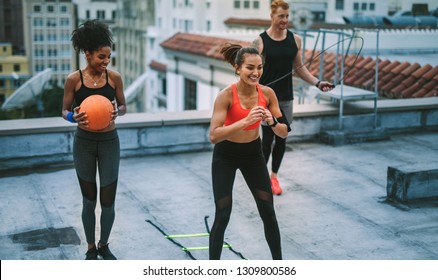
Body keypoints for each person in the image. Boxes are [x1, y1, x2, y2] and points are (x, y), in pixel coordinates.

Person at [208, 43, 291, 260]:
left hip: (252, 155)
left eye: (259, 67)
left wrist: (272, 121)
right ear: (237, 68)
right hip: (225, 155)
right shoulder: (225, 96)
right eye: (249, 68)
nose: (256, 73)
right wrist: (246, 121)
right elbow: (214, 136)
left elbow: (283, 133)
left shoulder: (268, 93)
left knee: (268, 212)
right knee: (223, 214)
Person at [253, 0, 333, 195]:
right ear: (272, 16)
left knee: (282, 138)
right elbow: (252, 71)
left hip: (286, 98)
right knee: (266, 141)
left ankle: (273, 178)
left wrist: (317, 82)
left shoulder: (295, 40)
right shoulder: (260, 41)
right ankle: (261, 180)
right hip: (266, 98)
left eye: (287, 16)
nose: (285, 20)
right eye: (281, 16)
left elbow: (299, 69)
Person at [62, 19, 126, 260]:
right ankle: (90, 247)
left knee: (107, 201)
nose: (106, 62)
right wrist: (72, 116)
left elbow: (123, 106)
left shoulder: (114, 78)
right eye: (101, 57)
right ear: (87, 54)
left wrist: (116, 111)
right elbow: (64, 110)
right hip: (84, 144)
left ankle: (104, 244)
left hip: (110, 142)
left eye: (108, 57)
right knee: (88, 201)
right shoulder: (74, 79)